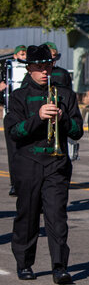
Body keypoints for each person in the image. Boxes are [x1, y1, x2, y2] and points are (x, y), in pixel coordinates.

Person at [5, 44, 83, 283]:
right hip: (28, 163)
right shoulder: (19, 97)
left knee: (57, 216)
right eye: (39, 67)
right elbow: (14, 131)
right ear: (29, 69)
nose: (44, 71)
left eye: (48, 66)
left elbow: (78, 131)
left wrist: (63, 118)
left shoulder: (66, 95)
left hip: (56, 163)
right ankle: (24, 262)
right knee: (27, 216)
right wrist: (37, 118)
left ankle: (59, 266)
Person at [5, 45, 28, 196]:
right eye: (21, 54)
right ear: (15, 56)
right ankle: (15, 183)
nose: (24, 56)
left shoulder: (31, 70)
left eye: (25, 53)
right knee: (14, 151)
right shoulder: (6, 69)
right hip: (13, 112)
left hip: (29, 112)